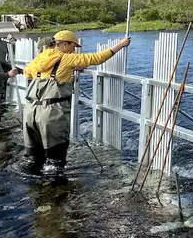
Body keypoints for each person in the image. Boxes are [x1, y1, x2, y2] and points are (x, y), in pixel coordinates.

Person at [20, 30, 130, 176]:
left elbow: (27, 73)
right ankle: (55, 191)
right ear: (64, 44)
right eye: (73, 46)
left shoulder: (40, 58)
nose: (74, 49)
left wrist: (67, 70)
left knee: (33, 156)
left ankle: (34, 188)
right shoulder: (65, 58)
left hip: (30, 111)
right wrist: (121, 45)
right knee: (55, 159)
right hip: (51, 112)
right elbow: (97, 58)